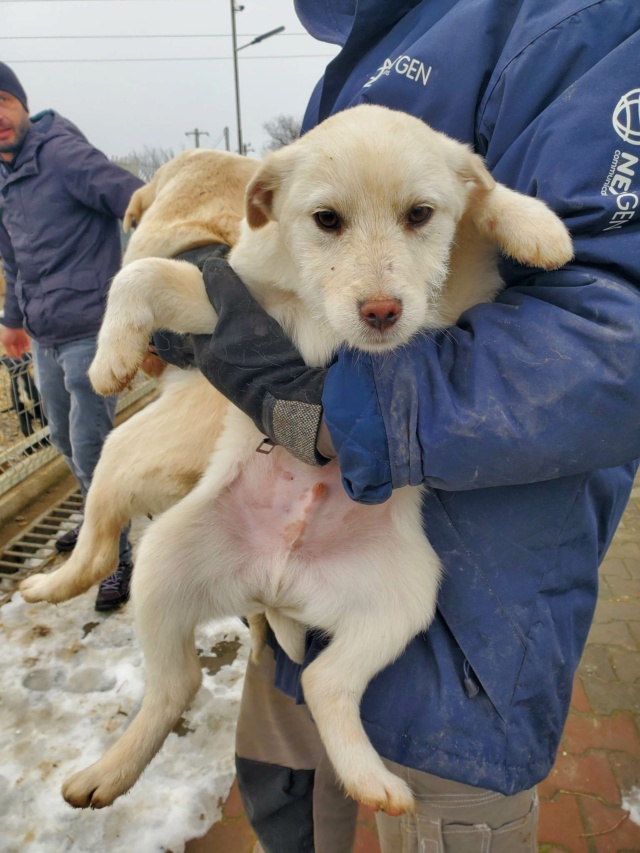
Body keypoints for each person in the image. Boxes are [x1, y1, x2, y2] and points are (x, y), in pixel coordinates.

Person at [178, 1, 640, 849]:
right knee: (288, 813)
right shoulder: (361, 43)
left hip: (458, 653)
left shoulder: (581, 23)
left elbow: (617, 342)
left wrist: (329, 412)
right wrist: (210, 306)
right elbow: (295, 262)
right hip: (292, 617)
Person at [0, 62, 144, 611]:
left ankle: (114, 555)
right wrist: (13, 319)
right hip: (43, 333)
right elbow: (12, 259)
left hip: (91, 328)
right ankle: (94, 519)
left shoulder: (62, 155)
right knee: (62, 436)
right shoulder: (3, 178)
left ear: (20, 101)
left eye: (2, 101)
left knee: (91, 448)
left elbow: (134, 201)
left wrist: (142, 290)